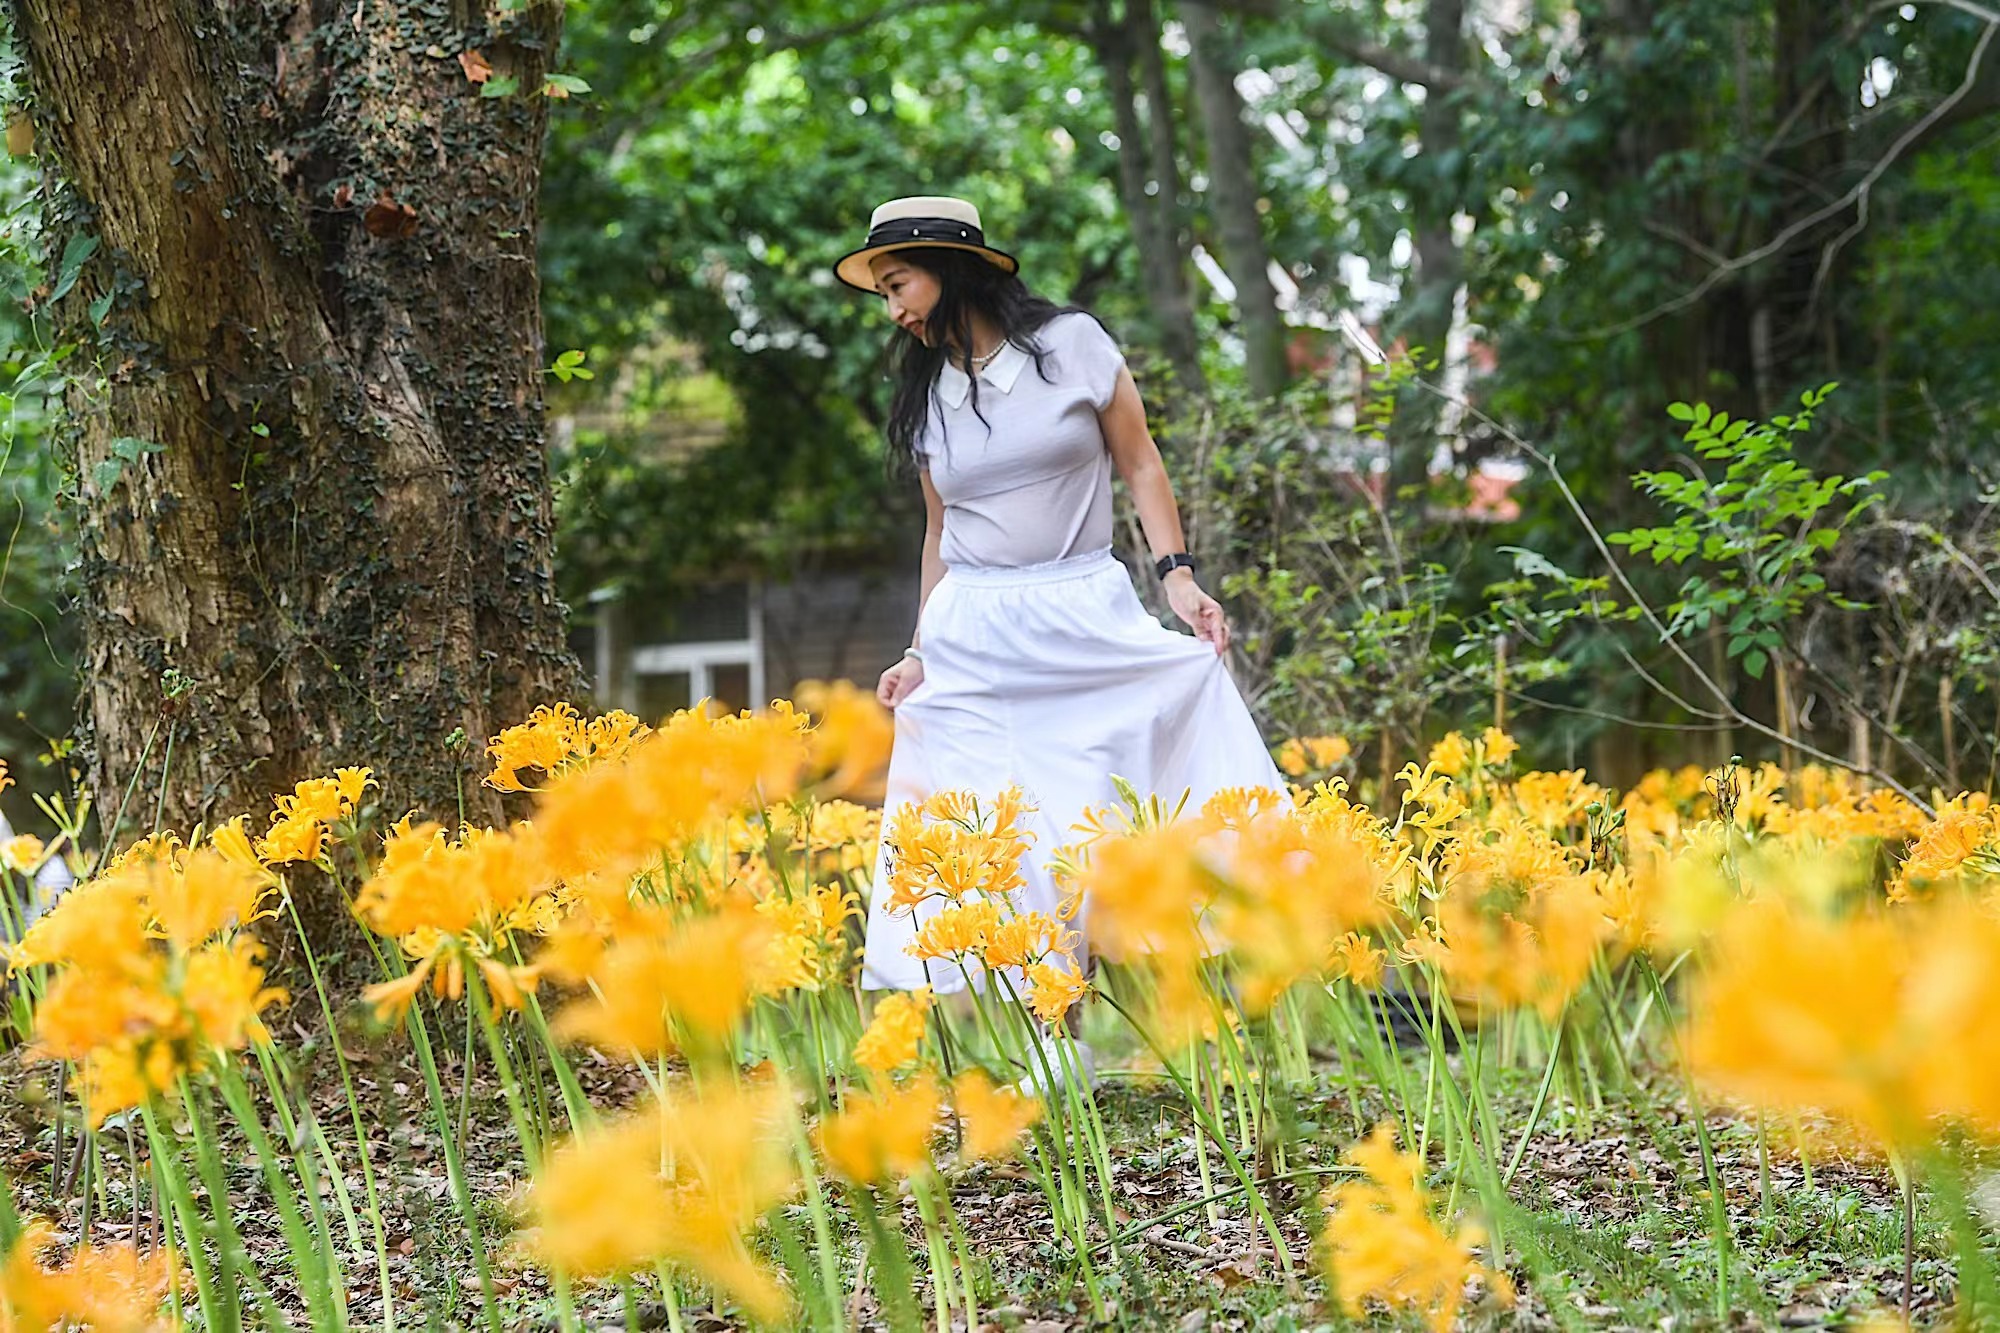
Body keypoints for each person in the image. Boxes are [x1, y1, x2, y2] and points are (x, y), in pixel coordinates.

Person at [835, 195, 1285, 1089]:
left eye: (900, 284)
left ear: (951, 266)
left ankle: (1222, 980)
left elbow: (1140, 461)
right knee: (1003, 835)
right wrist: (920, 647)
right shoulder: (929, 391)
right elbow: (939, 532)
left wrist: (1180, 576)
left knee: (1094, 821)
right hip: (975, 634)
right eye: (882, 292)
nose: (893, 310)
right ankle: (1054, 1041)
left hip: (1082, 616)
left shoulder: (1074, 345)